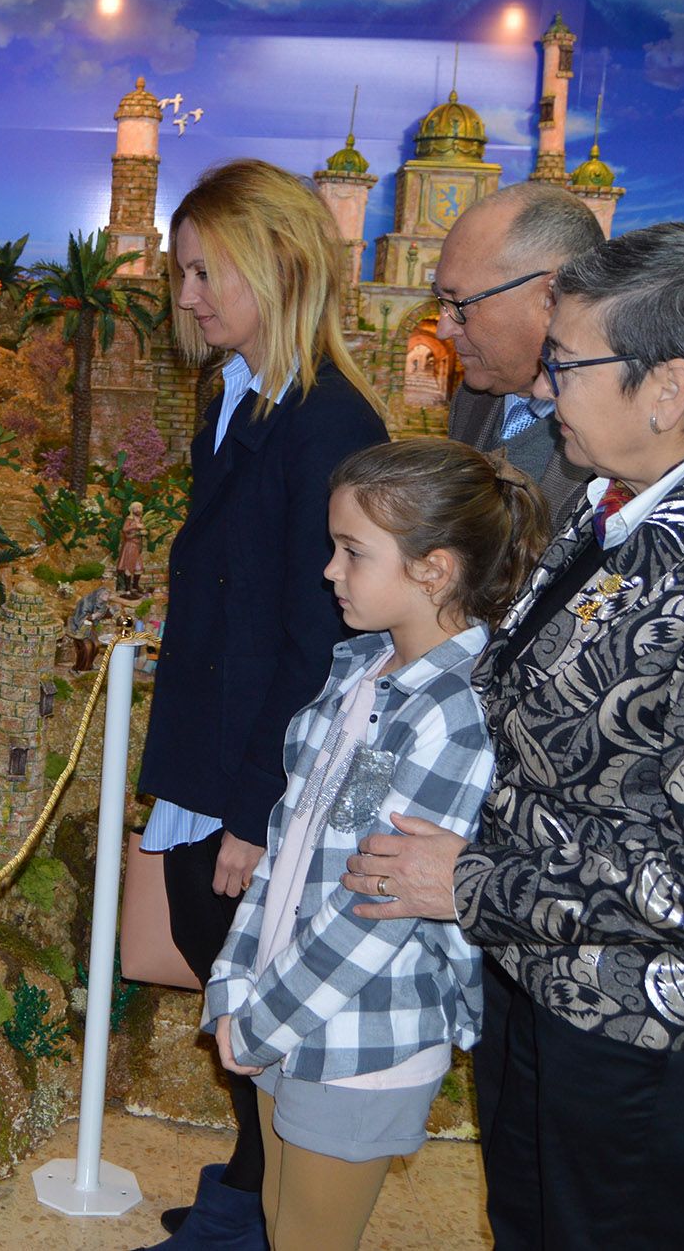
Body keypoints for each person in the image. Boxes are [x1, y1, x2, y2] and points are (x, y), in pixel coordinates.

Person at [343, 223, 684, 1251]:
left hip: (655, 1020)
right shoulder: (624, 502)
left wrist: (466, 884)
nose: (544, 390)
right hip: (546, 974)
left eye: (565, 363)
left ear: (665, 389)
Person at [205, 438, 548, 1251]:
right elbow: (292, 848)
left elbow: (378, 904)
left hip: (360, 1033)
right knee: (280, 1224)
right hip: (282, 1007)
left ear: (433, 570)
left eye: (352, 552)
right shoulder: (359, 672)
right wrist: (236, 979)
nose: (329, 570)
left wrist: (260, 1022)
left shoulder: (455, 713)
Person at [136, 159, 388, 1249]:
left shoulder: (327, 424)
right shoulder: (238, 397)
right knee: (224, 971)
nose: (184, 296)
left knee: (253, 986)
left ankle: (267, 1209)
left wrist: (254, 808)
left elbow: (320, 639)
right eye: (180, 272)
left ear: (278, 265)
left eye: (204, 271)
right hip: (209, 739)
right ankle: (250, 1175)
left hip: (252, 767)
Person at [434, 183, 604, 523]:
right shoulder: (472, 399)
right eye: (441, 302)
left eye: (460, 304)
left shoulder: (622, 427)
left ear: (551, 296)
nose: (444, 329)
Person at [115, 500, 147, 596]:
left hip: (137, 545)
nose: (138, 509)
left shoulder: (141, 519)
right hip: (130, 545)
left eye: (139, 507)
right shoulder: (130, 519)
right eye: (136, 508)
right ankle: (128, 589)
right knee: (129, 566)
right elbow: (125, 529)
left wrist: (144, 532)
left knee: (139, 568)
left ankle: (135, 586)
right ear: (132, 510)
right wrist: (136, 526)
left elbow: (143, 530)